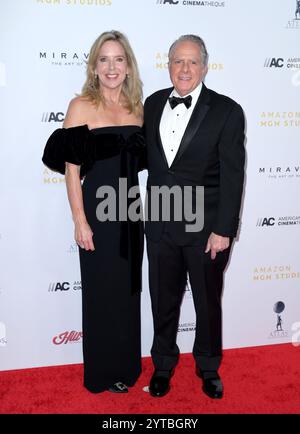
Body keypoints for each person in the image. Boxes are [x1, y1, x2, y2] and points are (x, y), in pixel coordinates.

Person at [42, 30, 145, 394]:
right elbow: (72, 170)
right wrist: (80, 220)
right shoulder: (80, 106)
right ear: (94, 66)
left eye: (119, 59)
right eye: (104, 59)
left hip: (132, 215)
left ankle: (127, 368)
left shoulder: (137, 108)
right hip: (98, 216)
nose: (112, 67)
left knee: (129, 293)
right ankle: (102, 373)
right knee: (102, 294)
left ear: (129, 66)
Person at [143, 34, 245, 399]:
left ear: (204, 66)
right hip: (159, 225)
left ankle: (207, 366)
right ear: (168, 64)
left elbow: (233, 174)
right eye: (177, 61)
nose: (184, 69)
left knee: (206, 302)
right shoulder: (152, 104)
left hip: (206, 231)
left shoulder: (227, 111)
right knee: (162, 300)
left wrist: (223, 230)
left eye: (191, 62)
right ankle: (163, 365)